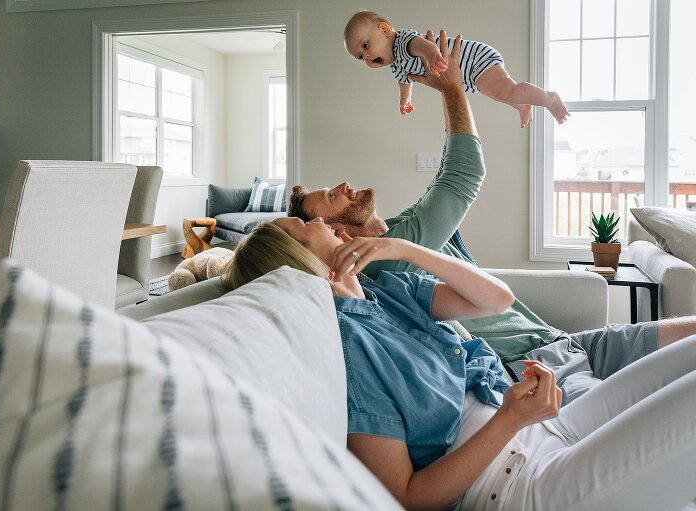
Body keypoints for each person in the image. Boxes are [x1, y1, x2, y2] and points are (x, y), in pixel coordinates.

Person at [288, 29, 696, 405]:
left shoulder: (398, 229)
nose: (342, 185)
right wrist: (450, 92)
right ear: (337, 230)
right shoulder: (391, 259)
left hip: (566, 341)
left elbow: (444, 179)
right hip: (535, 366)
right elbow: (463, 177)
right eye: (328, 199)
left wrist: (442, 92)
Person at [224, 218, 696, 511]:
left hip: (550, 431)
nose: (328, 224)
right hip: (522, 485)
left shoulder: (390, 294)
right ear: (305, 262)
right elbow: (405, 497)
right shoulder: (348, 348)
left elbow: (496, 299)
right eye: (310, 227)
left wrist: (404, 250)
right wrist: (511, 418)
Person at [343, 10, 569, 127]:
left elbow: (420, 44)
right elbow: (405, 81)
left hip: (473, 59)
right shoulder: (397, 66)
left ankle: (549, 99)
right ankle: (522, 106)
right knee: (497, 93)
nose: (368, 56)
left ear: (384, 29)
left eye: (365, 45)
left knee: (505, 90)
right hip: (468, 75)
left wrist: (432, 53)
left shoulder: (401, 40)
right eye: (360, 56)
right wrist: (405, 99)